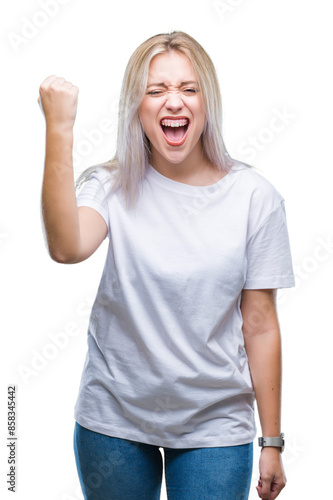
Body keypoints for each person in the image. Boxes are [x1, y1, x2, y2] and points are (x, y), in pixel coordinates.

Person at [38, 31, 295, 500]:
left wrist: (272, 441)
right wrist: (59, 130)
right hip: (115, 418)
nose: (173, 102)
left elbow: (260, 324)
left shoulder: (254, 197)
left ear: (207, 102)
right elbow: (67, 247)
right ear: (136, 106)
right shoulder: (111, 185)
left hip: (215, 424)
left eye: (189, 89)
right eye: (156, 90)